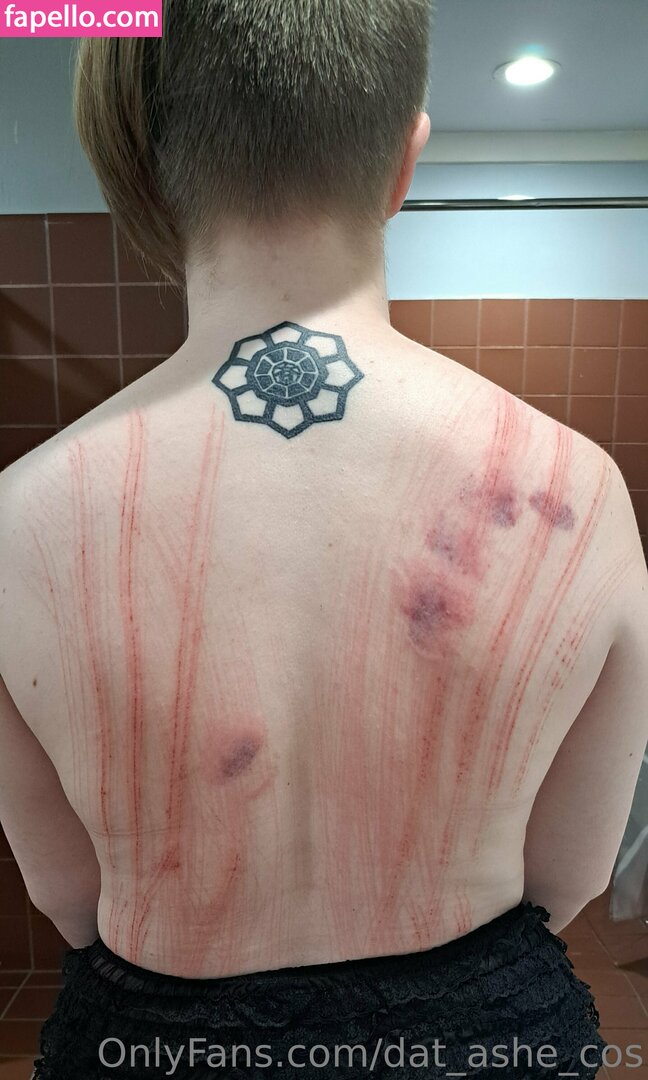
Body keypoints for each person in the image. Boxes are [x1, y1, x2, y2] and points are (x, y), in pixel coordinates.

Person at [0, 1, 647, 1077]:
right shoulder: (579, 487)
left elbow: (68, 896)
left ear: (145, 166)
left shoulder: (17, 517)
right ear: (404, 159)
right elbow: (570, 874)